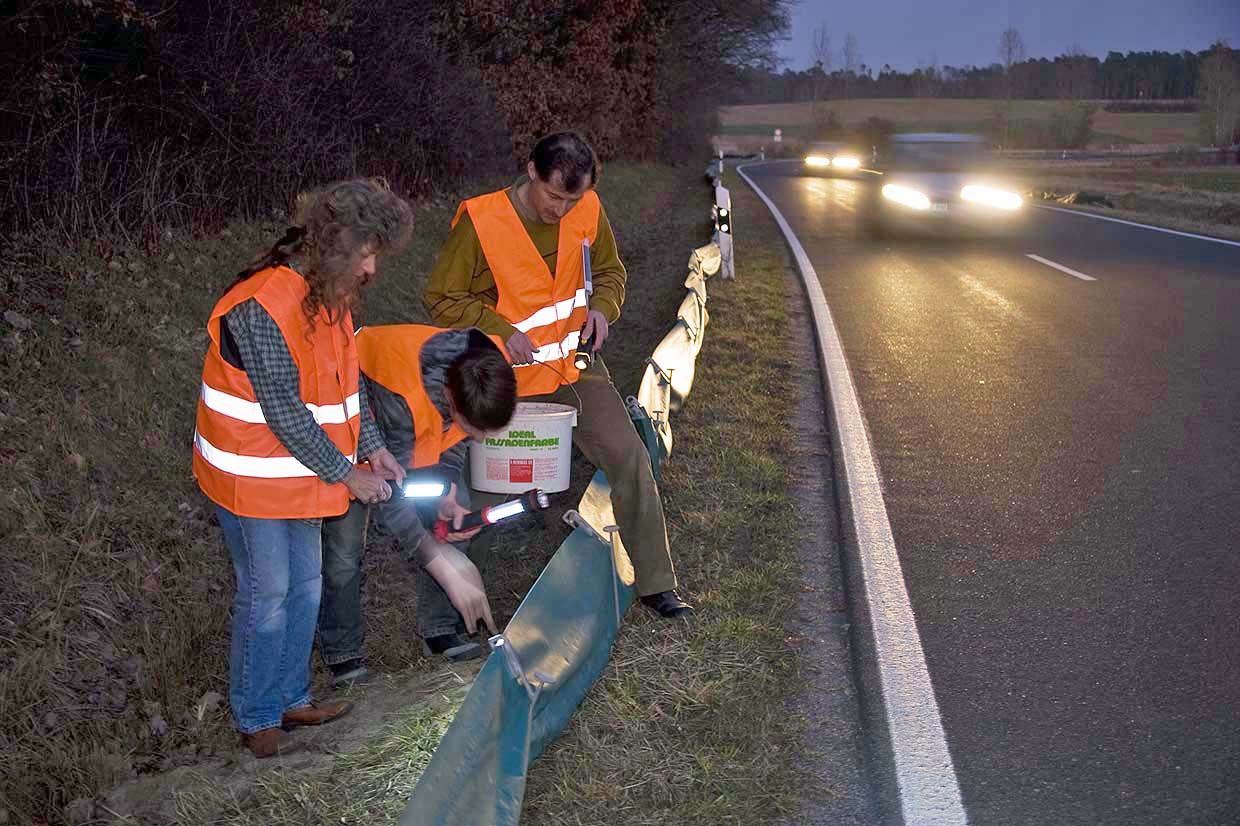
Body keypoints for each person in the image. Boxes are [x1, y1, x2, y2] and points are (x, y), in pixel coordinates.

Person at [424, 130, 692, 619]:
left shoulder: (588, 207)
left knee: (629, 455)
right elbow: (442, 300)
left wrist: (604, 311)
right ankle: (449, 617)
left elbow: (611, 272)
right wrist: (497, 329)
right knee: (482, 494)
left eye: (573, 199)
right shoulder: (482, 220)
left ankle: (655, 583)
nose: (562, 209)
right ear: (531, 170)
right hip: (503, 378)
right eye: (554, 196)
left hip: (576, 366)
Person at [193, 179, 411, 759]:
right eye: (366, 253)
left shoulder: (330, 295)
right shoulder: (262, 305)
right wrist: (349, 475)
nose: (371, 269)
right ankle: (258, 717)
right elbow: (285, 412)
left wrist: (373, 446)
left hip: (300, 475)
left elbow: (348, 383)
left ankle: (291, 696)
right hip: (248, 476)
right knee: (269, 593)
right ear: (337, 244)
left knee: (307, 587)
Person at [318, 324, 517, 684]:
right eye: (475, 428)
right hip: (353, 429)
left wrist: (448, 490)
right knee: (344, 550)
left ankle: (440, 630)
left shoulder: (488, 369)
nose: (480, 438)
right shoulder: (403, 396)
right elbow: (392, 496)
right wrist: (438, 560)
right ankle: (342, 654)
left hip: (412, 435)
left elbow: (457, 436)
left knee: (457, 521)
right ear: (449, 399)